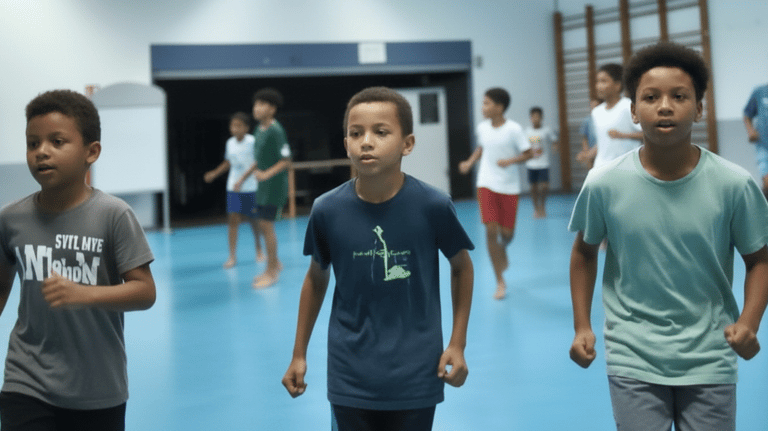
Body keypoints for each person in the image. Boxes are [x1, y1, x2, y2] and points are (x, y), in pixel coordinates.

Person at [568, 42, 768, 431]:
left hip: (710, 355)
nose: (664, 107)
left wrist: (749, 321)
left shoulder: (734, 184)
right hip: (632, 354)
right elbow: (584, 253)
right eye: (650, 97)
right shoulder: (604, 183)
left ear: (699, 108)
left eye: (679, 96)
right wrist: (582, 325)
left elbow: (759, 259)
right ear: (633, 111)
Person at [281, 87, 474, 431]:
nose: (366, 142)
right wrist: (299, 354)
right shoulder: (327, 209)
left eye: (380, 132)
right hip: (350, 375)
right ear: (346, 144)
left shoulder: (433, 205)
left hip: (417, 373)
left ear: (407, 144)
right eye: (356, 134)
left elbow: (461, 267)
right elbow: (316, 277)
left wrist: (457, 344)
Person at [0, 90, 157, 430]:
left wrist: (84, 294)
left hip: (98, 389)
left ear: (91, 151)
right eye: (32, 143)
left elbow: (145, 292)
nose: (42, 151)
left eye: (57, 142)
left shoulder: (114, 215)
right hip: (25, 380)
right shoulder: (11, 219)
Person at [458, 87, 532, 300]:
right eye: (483, 103)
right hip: (486, 183)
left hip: (509, 187)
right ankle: (500, 281)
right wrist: (470, 162)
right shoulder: (482, 128)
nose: (483, 107)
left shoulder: (514, 129)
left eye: (487, 103)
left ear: (499, 107)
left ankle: (503, 249)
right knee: (491, 230)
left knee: (507, 234)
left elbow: (528, 153)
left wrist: (510, 161)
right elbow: (481, 148)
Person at [239, 88, 291, 288]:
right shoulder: (258, 130)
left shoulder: (276, 131)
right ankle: (274, 262)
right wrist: (243, 177)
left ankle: (271, 272)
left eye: (261, 104)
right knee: (262, 226)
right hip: (262, 187)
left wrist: (266, 175)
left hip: (274, 187)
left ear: (272, 109)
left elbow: (286, 161)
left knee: (267, 227)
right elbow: (258, 160)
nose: (256, 108)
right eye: (255, 104)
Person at [203, 112, 264, 268]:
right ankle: (232, 256)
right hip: (233, 188)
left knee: (254, 220)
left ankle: (259, 250)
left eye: (238, 126)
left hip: (250, 187)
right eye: (232, 125)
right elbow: (228, 162)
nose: (234, 129)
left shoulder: (252, 141)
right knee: (232, 221)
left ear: (246, 127)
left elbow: (257, 162)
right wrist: (214, 173)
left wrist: (242, 180)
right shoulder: (230, 143)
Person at [576, 63, 643, 170]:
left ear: (617, 85)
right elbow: (603, 143)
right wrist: (588, 155)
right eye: (597, 81)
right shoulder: (596, 112)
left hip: (626, 169)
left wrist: (622, 135)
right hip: (601, 168)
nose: (598, 86)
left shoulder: (628, 106)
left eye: (603, 81)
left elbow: (646, 135)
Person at [524, 106, 558, 218]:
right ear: (530, 118)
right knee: (533, 188)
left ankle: (542, 206)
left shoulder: (546, 130)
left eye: (537, 117)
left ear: (541, 118)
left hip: (543, 163)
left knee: (544, 186)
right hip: (531, 164)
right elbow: (523, 146)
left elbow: (554, 140)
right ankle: (536, 208)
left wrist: (555, 147)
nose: (535, 119)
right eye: (533, 117)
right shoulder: (527, 131)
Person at [743, 82, 768, 199]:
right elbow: (747, 114)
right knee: (767, 183)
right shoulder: (760, 92)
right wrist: (751, 131)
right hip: (764, 145)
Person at [576, 98, 601, 169]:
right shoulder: (587, 120)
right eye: (592, 106)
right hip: (591, 151)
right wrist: (586, 152)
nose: (594, 108)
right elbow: (584, 138)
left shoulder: (605, 120)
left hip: (602, 151)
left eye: (596, 106)